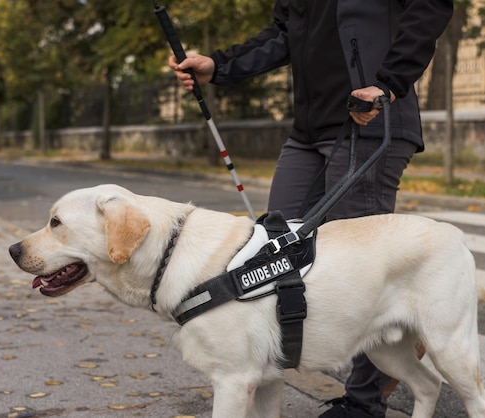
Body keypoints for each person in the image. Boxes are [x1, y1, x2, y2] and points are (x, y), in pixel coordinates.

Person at [169, 1, 453, 416]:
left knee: (363, 268)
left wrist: (389, 83)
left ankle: (364, 402)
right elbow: (284, 33)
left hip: (370, 118)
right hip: (308, 129)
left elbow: (430, 7)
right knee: (273, 253)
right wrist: (218, 65)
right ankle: (261, 377)